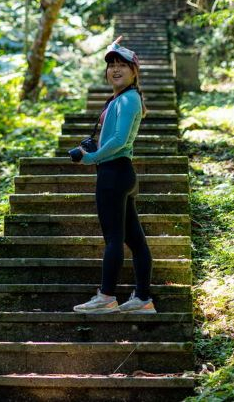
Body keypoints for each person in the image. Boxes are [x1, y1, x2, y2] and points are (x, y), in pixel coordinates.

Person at [72, 37, 155, 314]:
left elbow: (119, 139)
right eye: (111, 65)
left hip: (114, 173)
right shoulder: (124, 98)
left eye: (122, 65)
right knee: (135, 240)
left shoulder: (128, 99)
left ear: (134, 72)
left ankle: (107, 297)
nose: (115, 70)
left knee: (113, 239)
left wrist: (92, 158)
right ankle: (142, 299)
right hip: (121, 173)